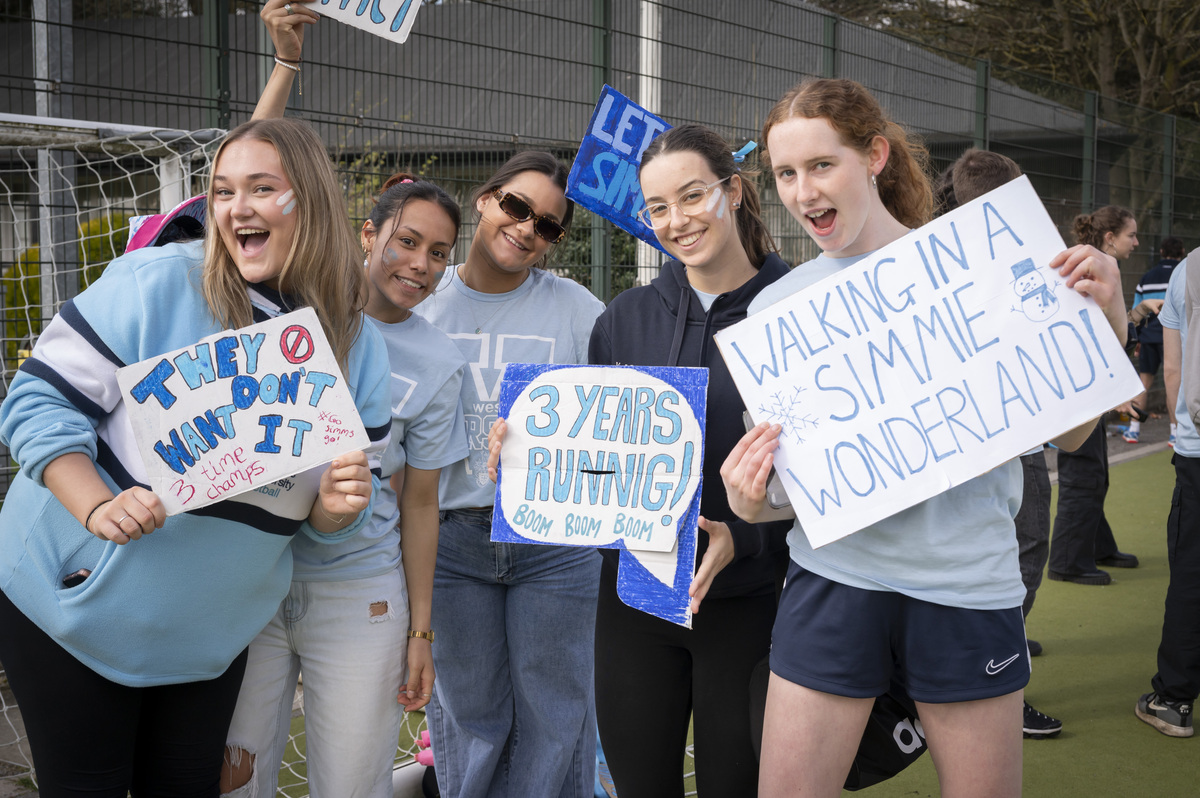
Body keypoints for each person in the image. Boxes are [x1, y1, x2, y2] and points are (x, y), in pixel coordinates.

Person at [720, 78, 1130, 797]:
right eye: (785, 173)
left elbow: (1072, 433)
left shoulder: (986, 270)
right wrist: (752, 504)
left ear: (873, 155)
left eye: (822, 165)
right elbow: (796, 493)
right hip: (835, 583)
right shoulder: (778, 309)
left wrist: (1109, 320)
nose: (802, 190)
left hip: (966, 586)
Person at [0, 116, 392, 797]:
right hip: (71, 614)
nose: (237, 207)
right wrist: (96, 504)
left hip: (209, 643)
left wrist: (337, 507)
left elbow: (332, 528)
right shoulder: (157, 281)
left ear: (314, 203)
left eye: (263, 188)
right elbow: (33, 403)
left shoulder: (359, 349)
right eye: (222, 191)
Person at [217, 9, 469, 795]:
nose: (419, 264)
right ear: (367, 233)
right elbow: (239, 203)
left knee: (350, 783)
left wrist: (421, 630)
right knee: (233, 775)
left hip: (357, 590)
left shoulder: (437, 360)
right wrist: (285, 65)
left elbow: (421, 504)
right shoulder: (290, 297)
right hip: (250, 576)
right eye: (406, 241)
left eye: (438, 255)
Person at [578, 124, 792, 796]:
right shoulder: (624, 318)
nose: (678, 220)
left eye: (693, 196)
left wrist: (750, 535)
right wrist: (524, 452)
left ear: (732, 191)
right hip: (635, 608)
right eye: (659, 208)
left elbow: (838, 476)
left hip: (751, 605)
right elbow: (593, 462)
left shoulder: (799, 311)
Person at [416, 150, 605, 798]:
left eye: (547, 225)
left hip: (555, 542)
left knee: (559, 718)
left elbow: (621, 416)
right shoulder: (420, 298)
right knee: (472, 721)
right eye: (517, 207)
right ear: (484, 199)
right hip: (451, 539)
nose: (527, 229)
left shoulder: (579, 311)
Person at [940, 147, 1062, 738]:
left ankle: (1000, 655)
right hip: (988, 439)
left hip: (1008, 431)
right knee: (1020, 550)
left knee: (1015, 551)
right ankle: (997, 679)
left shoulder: (1022, 252)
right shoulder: (953, 257)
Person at [1048, 206, 1141, 586]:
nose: (1135, 242)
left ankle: (1097, 546)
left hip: (1092, 387)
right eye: (1130, 235)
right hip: (1078, 389)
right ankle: (1068, 561)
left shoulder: (1097, 268)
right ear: (1108, 238)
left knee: (1096, 473)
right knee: (1083, 474)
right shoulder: (1084, 267)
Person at [1136, 254, 1198, 738]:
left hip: (1199, 447)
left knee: (1192, 571)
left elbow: (1173, 369)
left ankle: (1174, 700)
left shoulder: (1189, 270)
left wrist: (1181, 433)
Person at [1128, 236, 1186, 445]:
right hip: (1175, 337)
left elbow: (1138, 311)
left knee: (1144, 382)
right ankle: (1175, 433)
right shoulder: (1185, 274)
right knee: (1174, 382)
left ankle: (1133, 430)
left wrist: (1140, 338)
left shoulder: (1146, 278)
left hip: (1148, 336)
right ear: (1182, 252)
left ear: (1161, 252)